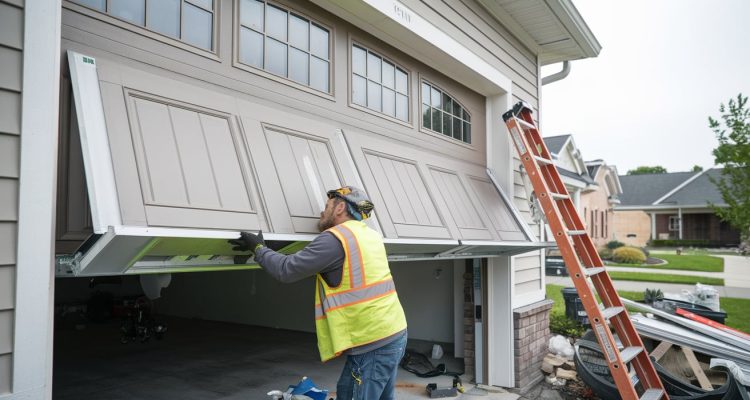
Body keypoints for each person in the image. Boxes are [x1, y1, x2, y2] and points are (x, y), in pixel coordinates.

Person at [229, 186, 408, 400]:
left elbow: (286, 270)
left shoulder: (335, 239)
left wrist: (258, 248)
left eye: (326, 207)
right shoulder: (369, 235)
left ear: (340, 207)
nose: (321, 213)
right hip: (394, 332)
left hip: (371, 342)